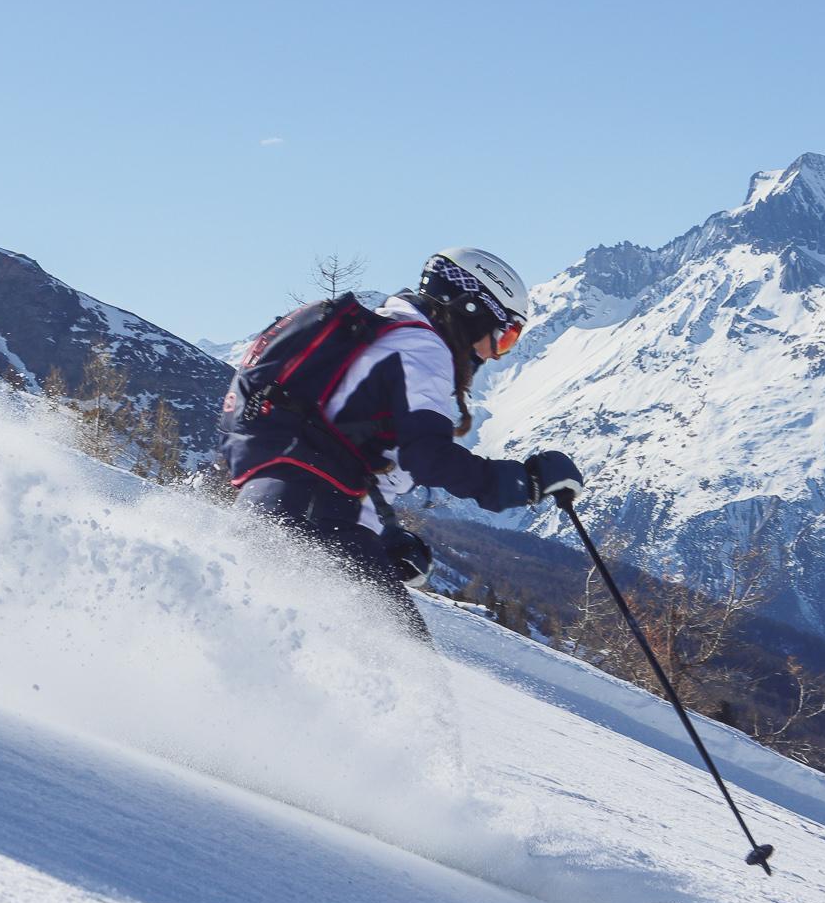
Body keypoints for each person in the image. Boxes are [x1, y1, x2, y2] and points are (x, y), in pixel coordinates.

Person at [219, 246, 585, 640]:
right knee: (403, 664)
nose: (494, 354)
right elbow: (428, 456)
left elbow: (347, 447)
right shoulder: (423, 348)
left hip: (279, 506)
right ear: (471, 309)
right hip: (316, 519)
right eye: (505, 336)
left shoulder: (388, 332)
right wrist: (523, 483)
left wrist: (385, 537)